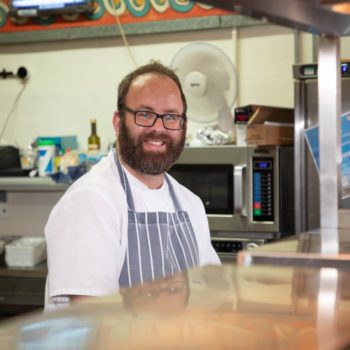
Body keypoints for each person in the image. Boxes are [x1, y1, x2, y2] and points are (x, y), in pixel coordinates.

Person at [44, 61, 220, 311]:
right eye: (145, 114)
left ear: (183, 127)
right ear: (118, 122)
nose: (158, 128)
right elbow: (92, 319)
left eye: (171, 116)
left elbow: (208, 298)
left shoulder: (190, 204)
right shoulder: (90, 202)